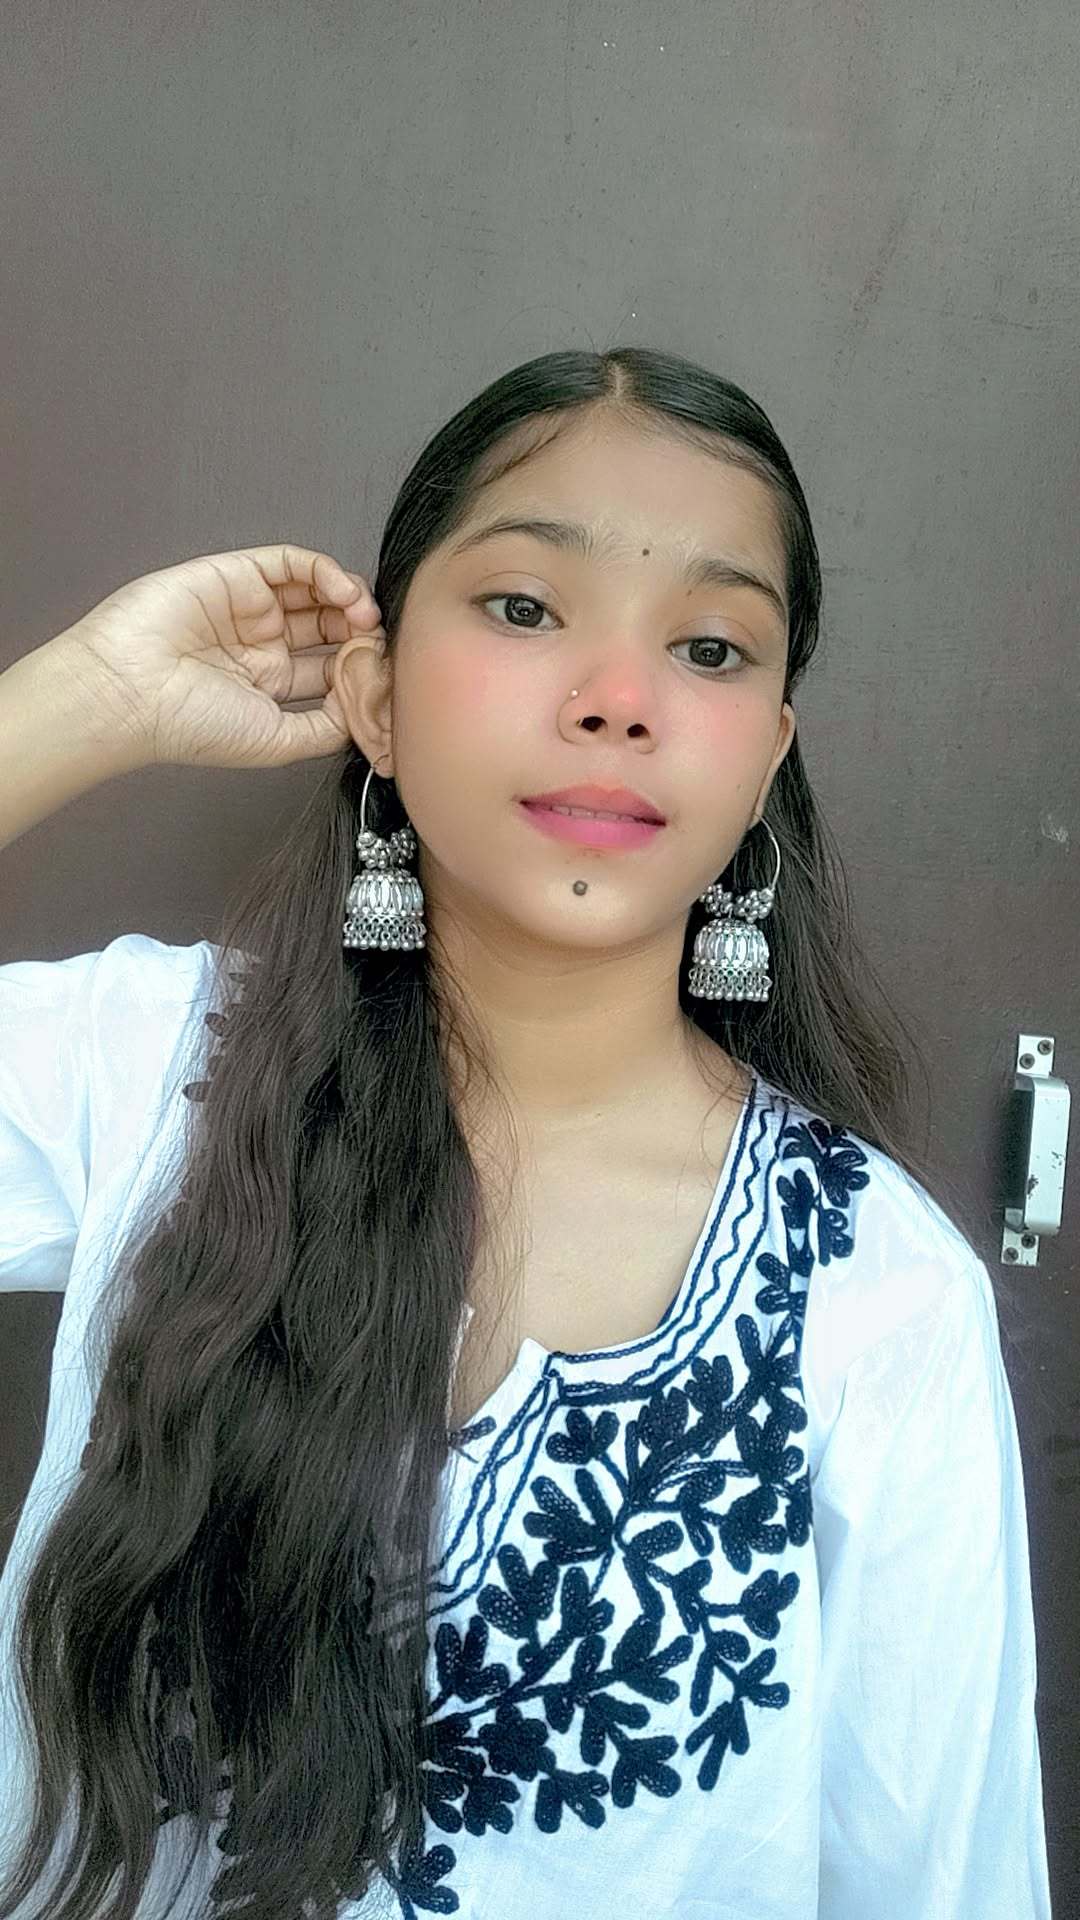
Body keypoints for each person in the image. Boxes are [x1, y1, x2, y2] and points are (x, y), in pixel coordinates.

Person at [0, 346, 1052, 1919]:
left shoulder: (881, 1294)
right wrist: (86, 697)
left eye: (708, 647)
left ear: (766, 758)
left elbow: (943, 1879)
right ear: (375, 695)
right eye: (523, 607)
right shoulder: (146, 1075)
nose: (617, 699)